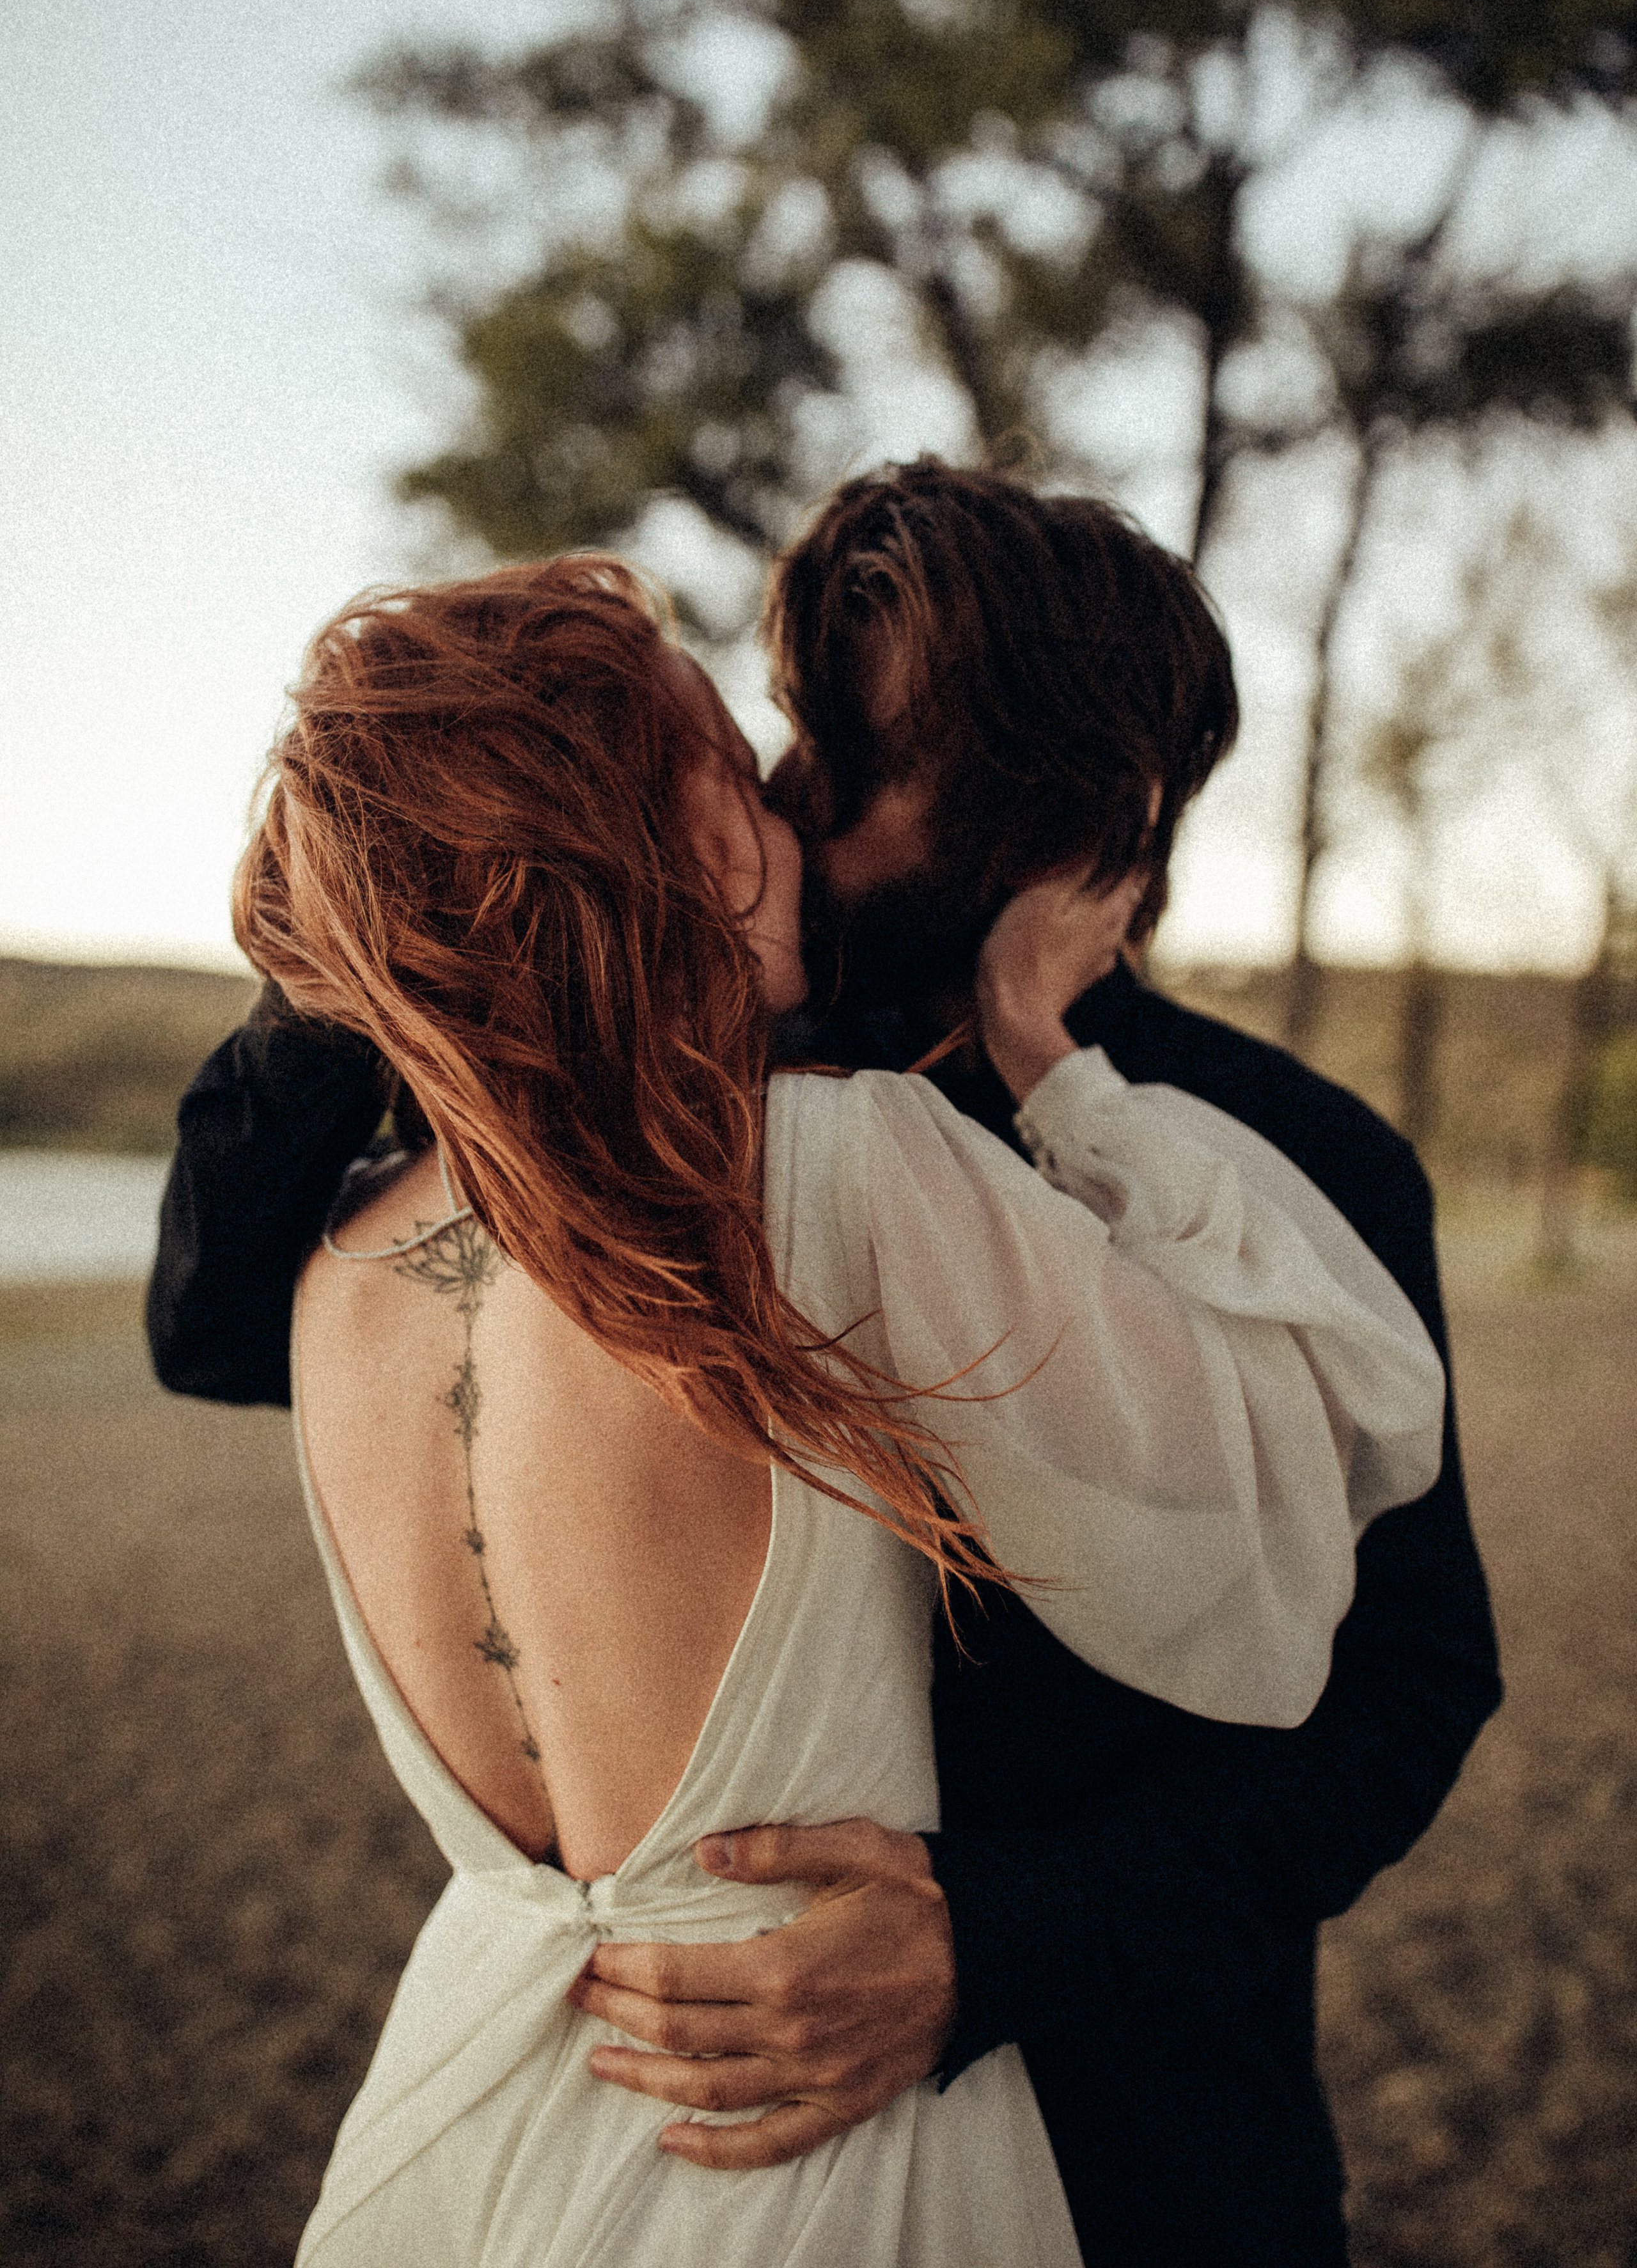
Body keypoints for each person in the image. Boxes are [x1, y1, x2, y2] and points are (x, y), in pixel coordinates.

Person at [147, 469, 1501, 2266]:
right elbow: (212, 1323)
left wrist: (1003, 1938)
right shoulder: (696, 1087)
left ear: (1076, 816)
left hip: (1144, 2117)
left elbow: (1408, 1691)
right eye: (786, 732)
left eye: (850, 765)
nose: (787, 792)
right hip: (688, 2115)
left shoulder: (1290, 1161)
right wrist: (412, 878)